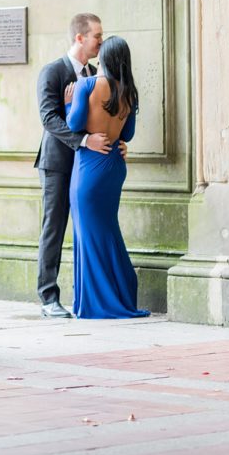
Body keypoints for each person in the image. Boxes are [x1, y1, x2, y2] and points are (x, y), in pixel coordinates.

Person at [33, 14, 125, 318]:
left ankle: (88, 297)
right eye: (97, 36)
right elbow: (49, 119)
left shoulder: (100, 74)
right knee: (55, 227)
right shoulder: (53, 71)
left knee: (89, 228)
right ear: (80, 38)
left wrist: (118, 141)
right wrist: (85, 141)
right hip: (59, 164)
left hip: (92, 167)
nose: (101, 41)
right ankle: (48, 297)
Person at [64, 35, 149, 319]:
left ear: (105, 59)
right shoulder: (129, 93)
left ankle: (102, 301)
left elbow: (74, 124)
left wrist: (68, 104)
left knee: (88, 234)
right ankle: (122, 292)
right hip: (114, 165)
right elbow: (128, 135)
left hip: (90, 167)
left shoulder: (87, 85)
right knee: (108, 230)